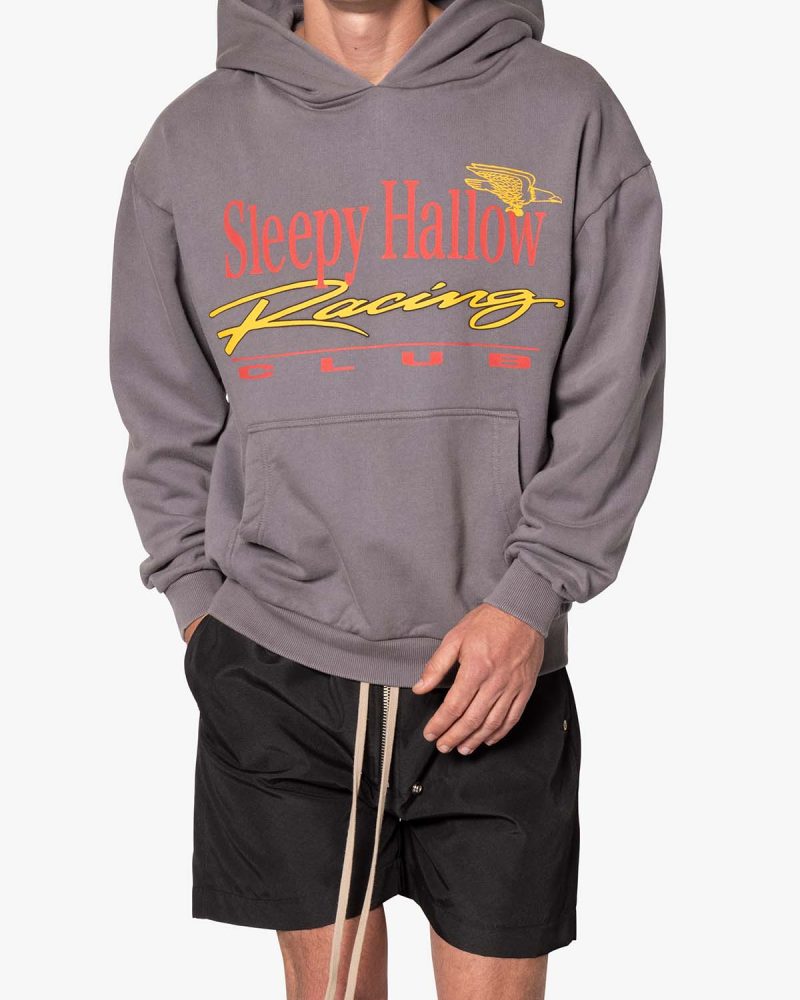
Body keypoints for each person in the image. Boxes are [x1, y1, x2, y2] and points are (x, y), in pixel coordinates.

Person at [108, 0, 666, 996]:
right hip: (276, 662)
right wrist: (201, 613)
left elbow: (612, 384)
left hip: (496, 664)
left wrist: (531, 596)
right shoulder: (190, 143)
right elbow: (163, 407)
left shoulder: (564, 111)